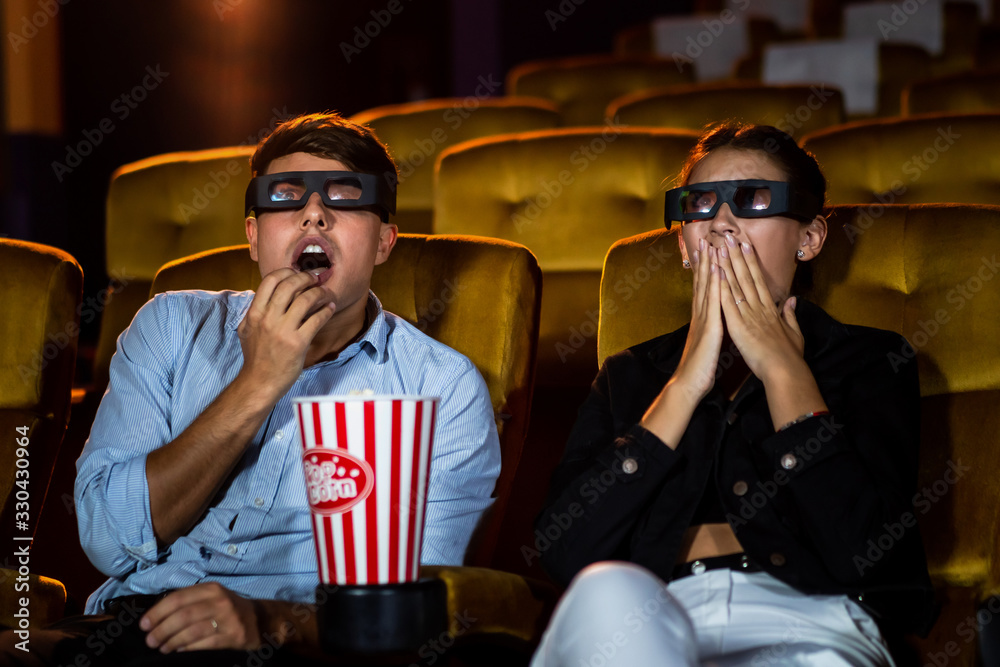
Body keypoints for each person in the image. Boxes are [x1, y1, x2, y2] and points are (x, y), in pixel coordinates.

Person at [1, 112, 500, 665]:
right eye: (286, 197)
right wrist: (258, 382)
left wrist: (267, 622)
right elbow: (108, 541)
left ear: (384, 242)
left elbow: (416, 610)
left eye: (344, 197)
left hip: (304, 650)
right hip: (126, 630)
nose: (314, 214)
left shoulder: (443, 387)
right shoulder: (169, 327)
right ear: (254, 236)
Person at [530, 123, 935, 666]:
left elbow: (865, 553)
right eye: (700, 205)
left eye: (754, 200)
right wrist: (685, 383)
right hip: (651, 617)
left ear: (809, 239)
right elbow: (564, 552)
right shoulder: (630, 373)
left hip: (812, 619)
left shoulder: (870, 360)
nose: (721, 224)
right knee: (605, 590)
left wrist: (783, 371)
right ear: (683, 246)